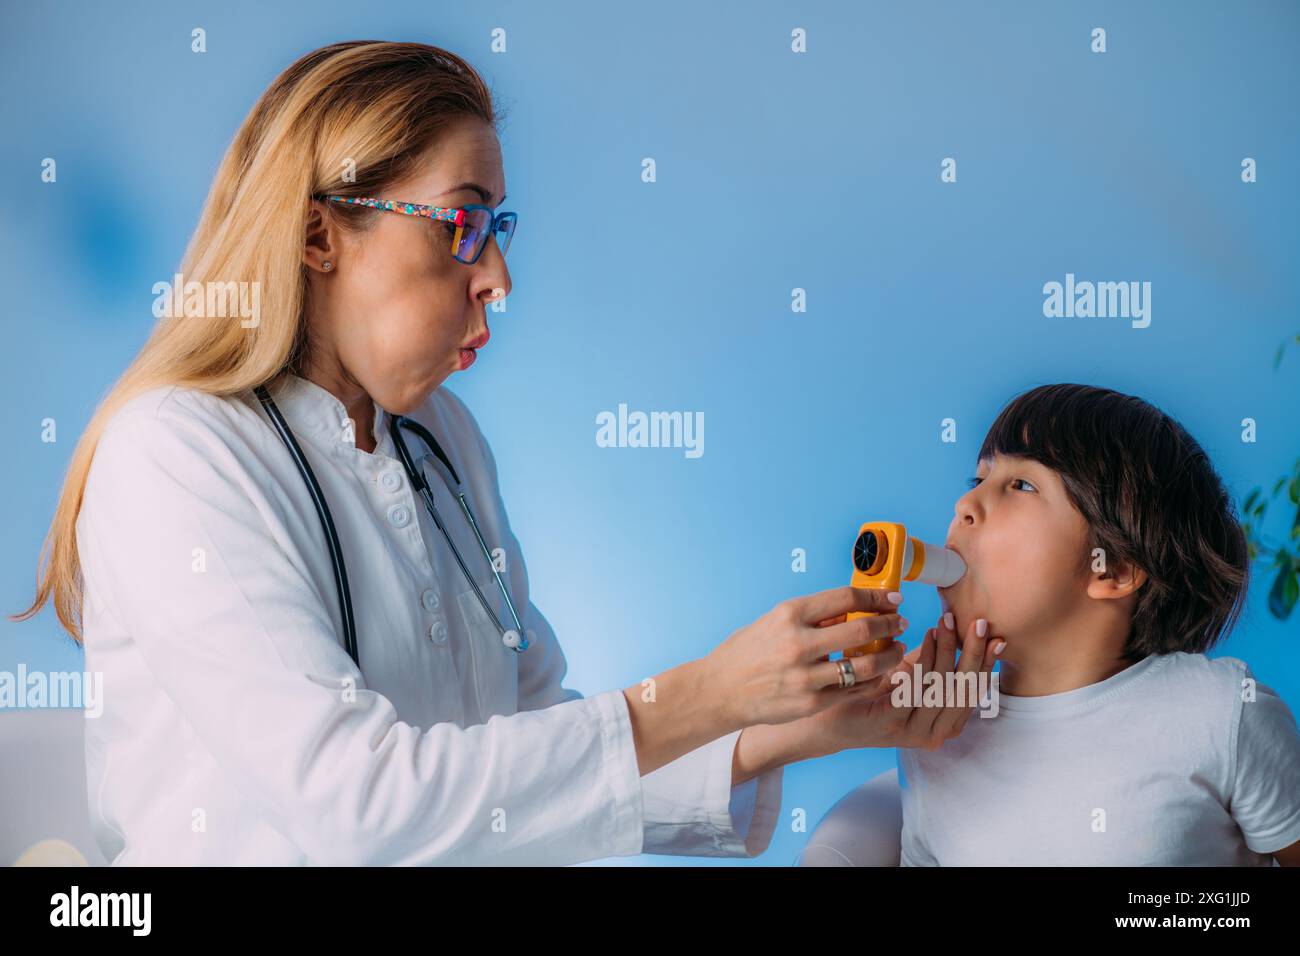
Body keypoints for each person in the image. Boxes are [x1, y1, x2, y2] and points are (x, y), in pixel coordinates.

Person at [12, 40, 995, 865]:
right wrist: (704, 689)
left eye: (500, 227)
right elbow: (357, 807)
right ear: (320, 236)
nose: (499, 277)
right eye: (463, 224)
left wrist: (804, 720)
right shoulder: (176, 455)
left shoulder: (445, 442)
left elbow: (527, 755)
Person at [886, 384, 1300, 865]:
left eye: (1022, 485)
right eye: (976, 480)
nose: (966, 505)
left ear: (1115, 569)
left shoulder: (1222, 716)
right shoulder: (935, 729)